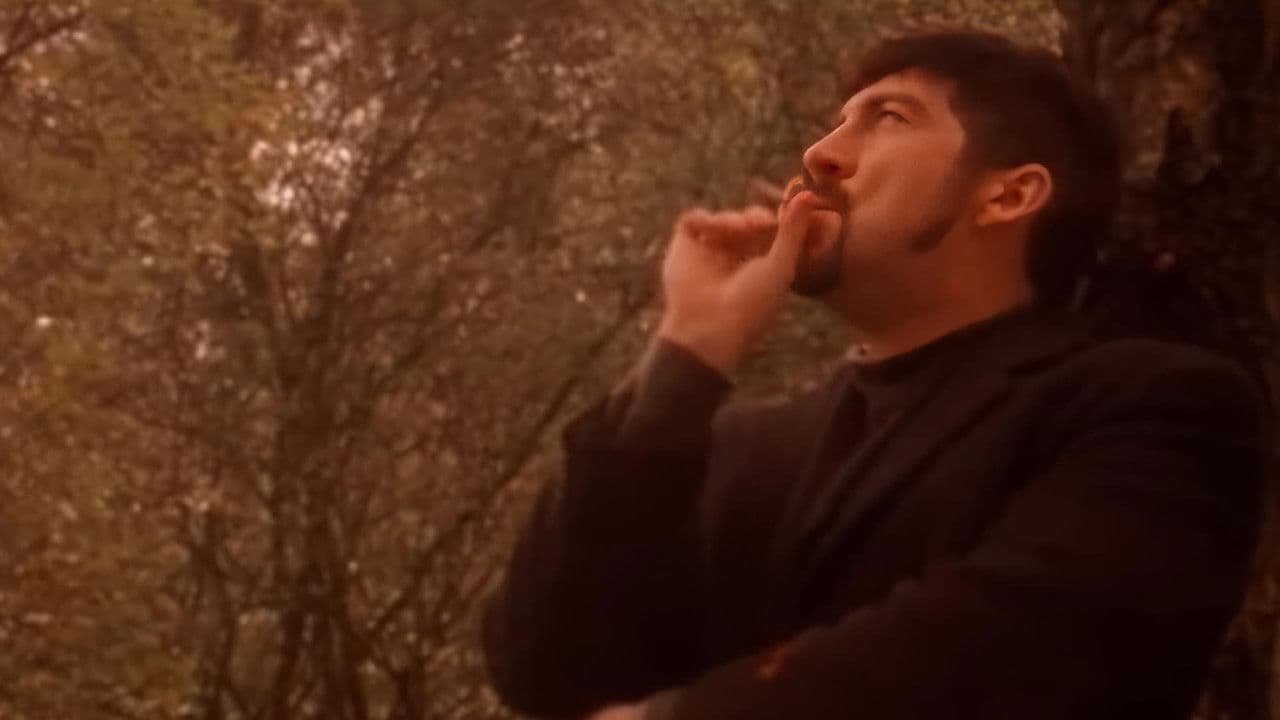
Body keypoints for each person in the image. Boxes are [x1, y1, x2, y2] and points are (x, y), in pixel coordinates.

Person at [481, 30, 1267, 719]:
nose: (820, 154)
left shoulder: (1152, 409)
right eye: (837, 121)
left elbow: (1012, 648)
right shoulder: (738, 448)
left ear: (1009, 194)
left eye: (888, 117)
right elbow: (544, 668)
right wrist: (687, 351)